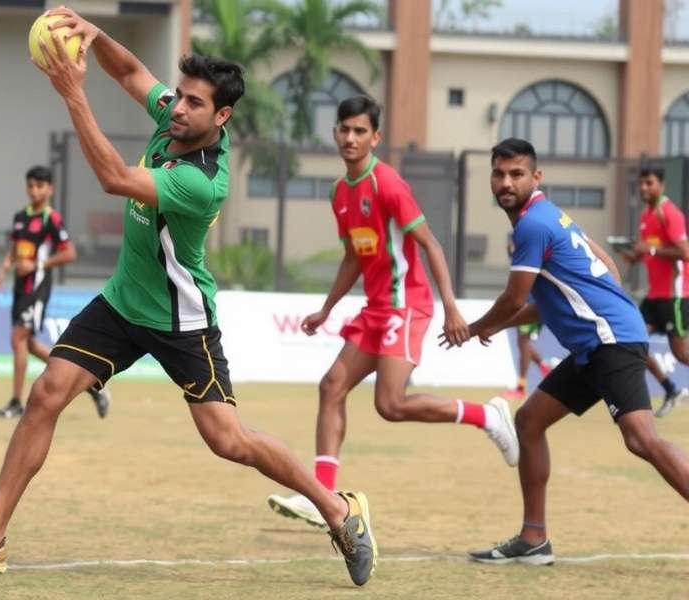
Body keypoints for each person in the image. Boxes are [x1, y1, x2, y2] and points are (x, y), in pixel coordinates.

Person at [0, 9, 375, 587]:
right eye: (178, 96)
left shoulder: (203, 180)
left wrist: (72, 94)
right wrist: (92, 33)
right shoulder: (174, 118)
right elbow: (130, 70)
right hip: (122, 302)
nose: (177, 107)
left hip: (180, 321)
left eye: (193, 103)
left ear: (221, 116)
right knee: (46, 392)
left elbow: (111, 176)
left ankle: (338, 510)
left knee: (228, 440)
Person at [266, 95, 519, 528]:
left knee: (391, 404)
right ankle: (322, 494)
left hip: (407, 304)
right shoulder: (339, 192)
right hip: (376, 307)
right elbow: (352, 257)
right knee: (331, 386)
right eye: (344, 129)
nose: (350, 137)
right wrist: (327, 310)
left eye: (360, 131)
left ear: (375, 137)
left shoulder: (387, 183)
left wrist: (451, 309)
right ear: (335, 133)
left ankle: (487, 415)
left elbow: (431, 244)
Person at [459, 138, 689, 566]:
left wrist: (476, 328)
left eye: (516, 174)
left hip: (609, 341)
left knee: (642, 439)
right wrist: (491, 328)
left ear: (536, 177)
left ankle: (534, 537)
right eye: (499, 174)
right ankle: (534, 539)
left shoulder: (532, 224)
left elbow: (514, 299)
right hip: (598, 343)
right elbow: (604, 271)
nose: (506, 182)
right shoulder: (551, 215)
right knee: (528, 422)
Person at [0, 165, 110, 419]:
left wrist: (36, 265)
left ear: (50, 189)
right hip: (21, 288)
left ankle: (15, 402)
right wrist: (4, 268)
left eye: (40, 186)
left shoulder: (50, 219)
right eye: (31, 186)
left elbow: (69, 253)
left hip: (37, 288)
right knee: (29, 344)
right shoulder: (21, 216)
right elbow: (15, 247)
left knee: (17, 338)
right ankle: (91, 387)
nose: (34, 191)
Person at [616, 166, 689, 418]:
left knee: (681, 354)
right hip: (654, 295)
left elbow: (684, 252)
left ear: (662, 185)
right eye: (642, 183)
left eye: (649, 183)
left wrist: (650, 250)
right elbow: (647, 252)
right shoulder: (646, 215)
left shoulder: (670, 213)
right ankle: (670, 389)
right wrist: (631, 255)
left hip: (674, 295)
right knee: (631, 339)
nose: (644, 188)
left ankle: (670, 390)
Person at [503, 235, 551, 401]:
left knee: (522, 342)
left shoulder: (532, 243)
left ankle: (521, 387)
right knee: (524, 342)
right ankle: (544, 367)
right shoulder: (526, 242)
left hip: (531, 302)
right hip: (534, 301)